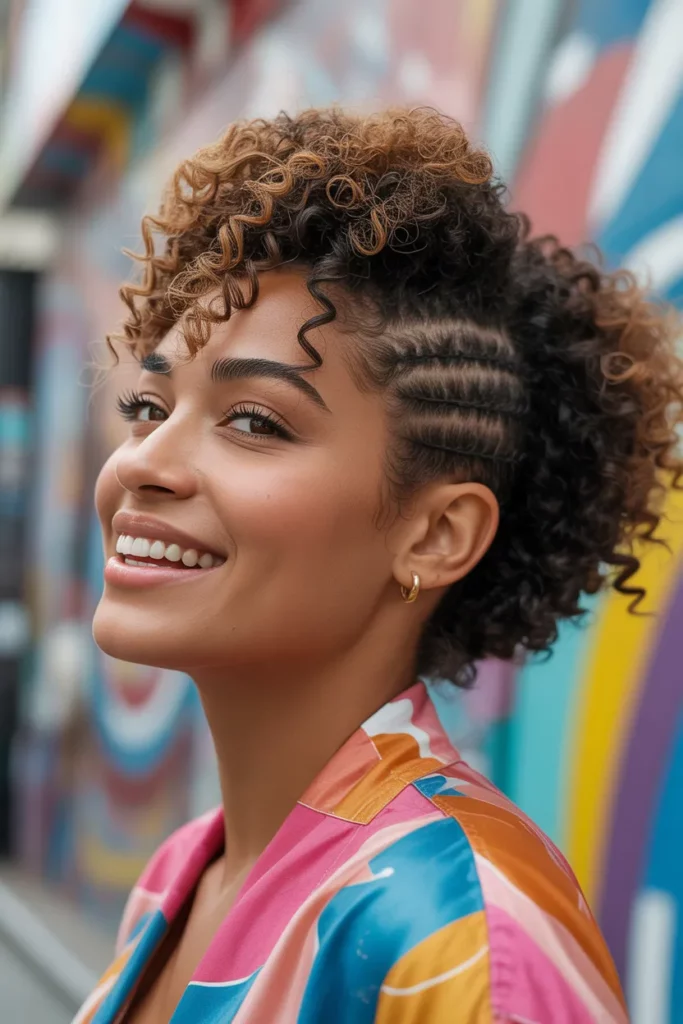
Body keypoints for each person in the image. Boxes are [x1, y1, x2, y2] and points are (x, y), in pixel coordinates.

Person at [74, 108, 682, 1024]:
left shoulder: (461, 941)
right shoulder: (181, 876)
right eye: (151, 404)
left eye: (254, 422)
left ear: (434, 536)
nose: (143, 463)